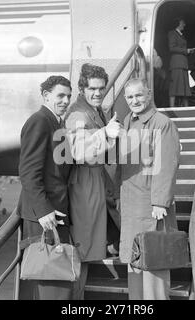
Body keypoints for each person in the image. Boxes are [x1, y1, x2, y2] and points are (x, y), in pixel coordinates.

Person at [118, 78, 181, 299]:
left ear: (149, 94)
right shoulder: (127, 121)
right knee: (134, 261)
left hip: (150, 205)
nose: (135, 100)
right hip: (131, 202)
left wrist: (160, 201)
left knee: (153, 260)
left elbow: (167, 163)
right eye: (130, 97)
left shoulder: (162, 123)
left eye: (139, 95)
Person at [64, 63, 121, 299]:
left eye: (101, 88)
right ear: (81, 88)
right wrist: (105, 133)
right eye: (92, 89)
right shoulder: (78, 113)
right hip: (85, 184)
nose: (98, 93)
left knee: (100, 244)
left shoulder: (95, 109)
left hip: (98, 181)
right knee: (83, 250)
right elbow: (78, 151)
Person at [16, 76, 73, 299]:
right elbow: (29, 171)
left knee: (56, 281)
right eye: (60, 95)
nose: (66, 100)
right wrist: (43, 209)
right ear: (46, 96)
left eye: (68, 96)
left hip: (56, 211)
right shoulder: (39, 121)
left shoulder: (56, 122)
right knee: (46, 281)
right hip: (45, 216)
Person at [168, 18, 195, 108]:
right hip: (177, 64)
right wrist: (186, 50)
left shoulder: (181, 35)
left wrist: (188, 51)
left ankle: (186, 108)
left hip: (183, 63)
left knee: (184, 87)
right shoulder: (172, 33)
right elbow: (172, 48)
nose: (184, 24)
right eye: (183, 22)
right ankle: (172, 108)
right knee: (175, 87)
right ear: (178, 23)